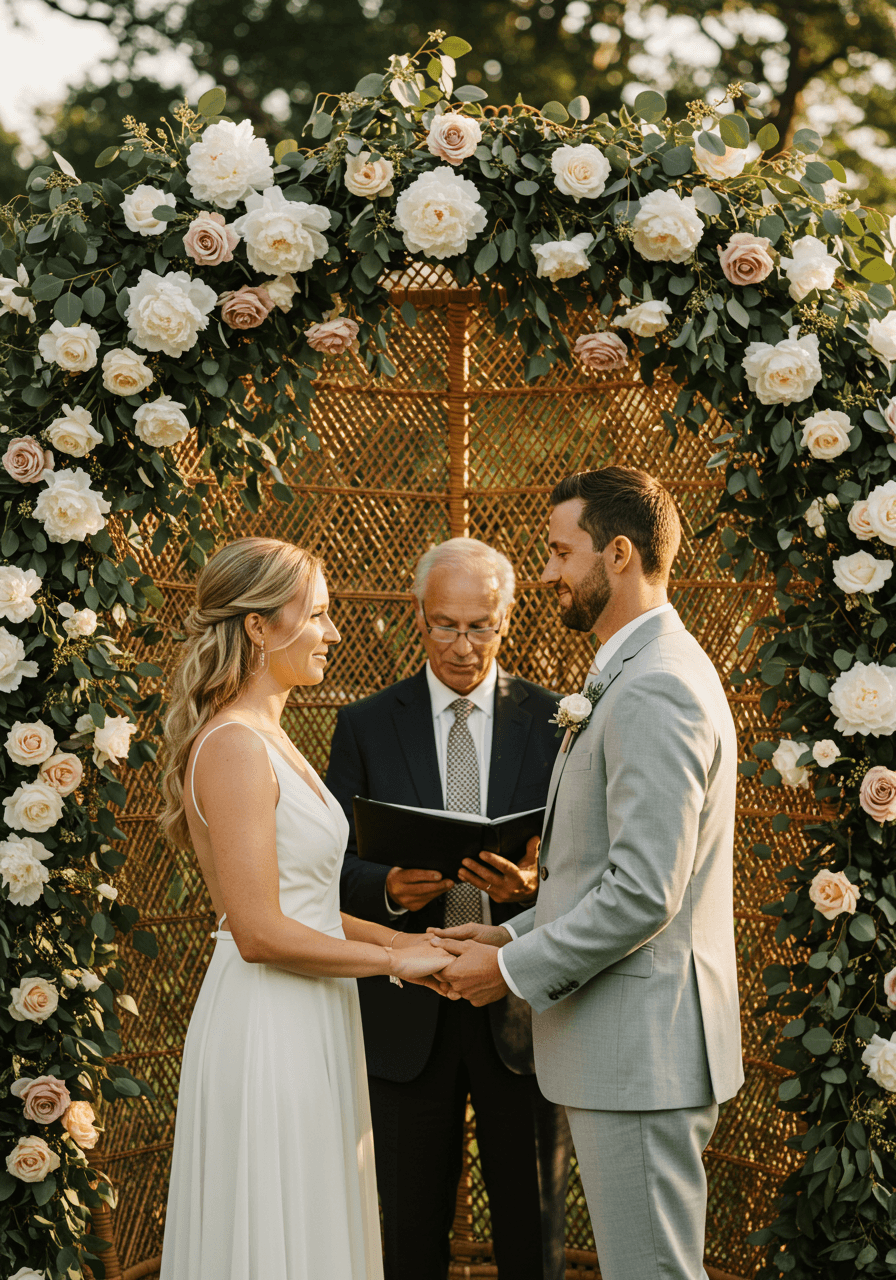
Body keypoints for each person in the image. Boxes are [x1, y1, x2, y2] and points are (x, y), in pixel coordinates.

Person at [432, 468, 744, 1280]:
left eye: (559, 552)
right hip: (629, 1051)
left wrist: (507, 968)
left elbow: (644, 892)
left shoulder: (657, 687)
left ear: (619, 553)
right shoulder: (637, 669)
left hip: (641, 1057)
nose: (546, 573)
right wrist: (507, 928)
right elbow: (601, 873)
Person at [157, 537, 452, 1280]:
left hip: (313, 1010)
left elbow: (309, 906)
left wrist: (421, 949)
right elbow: (256, 931)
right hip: (268, 1023)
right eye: (318, 615)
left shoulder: (273, 737)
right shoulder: (232, 748)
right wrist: (394, 959)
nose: (334, 633)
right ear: (258, 628)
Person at [327, 537, 573, 1280]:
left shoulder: (561, 721)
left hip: (520, 1012)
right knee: (405, 1235)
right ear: (418, 617)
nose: (463, 647)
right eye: (445, 625)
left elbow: (592, 870)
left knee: (535, 1237)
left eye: (481, 627)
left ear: (509, 619)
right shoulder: (366, 724)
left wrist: (529, 891)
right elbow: (327, 867)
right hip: (407, 1015)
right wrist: (385, 888)